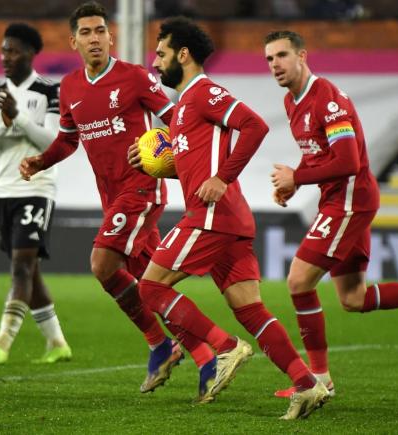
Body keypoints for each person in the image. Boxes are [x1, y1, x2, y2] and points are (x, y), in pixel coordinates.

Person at [127, 16, 330, 420]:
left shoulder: (204, 92)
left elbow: (253, 125)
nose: (155, 62)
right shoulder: (184, 106)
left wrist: (221, 178)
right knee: (250, 309)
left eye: (162, 53)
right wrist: (161, 168)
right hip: (229, 219)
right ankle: (308, 385)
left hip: (211, 216)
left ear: (182, 55)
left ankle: (223, 347)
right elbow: (198, 163)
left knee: (150, 289)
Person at [264, 30, 398, 398]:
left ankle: (319, 380)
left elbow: (348, 161)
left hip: (349, 201)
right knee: (353, 298)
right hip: (339, 200)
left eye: (282, 55)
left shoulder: (328, 100)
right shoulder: (292, 102)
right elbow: (319, 152)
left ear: (302, 55)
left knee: (298, 282)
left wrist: (298, 176)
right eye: (269, 59)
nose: (275, 65)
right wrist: (296, 182)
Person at [18, 2, 197, 393]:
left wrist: (188, 156)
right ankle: (207, 350)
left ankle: (158, 343)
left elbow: (177, 118)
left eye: (100, 30)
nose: (94, 38)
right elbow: (68, 140)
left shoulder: (135, 78)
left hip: (141, 188)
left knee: (102, 264)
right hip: (111, 196)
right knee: (152, 282)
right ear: (74, 41)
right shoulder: (70, 87)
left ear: (110, 37)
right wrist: (40, 161)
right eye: (86, 32)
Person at [0, 23, 72, 365]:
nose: (6, 57)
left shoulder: (49, 91)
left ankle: (2, 342)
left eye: (12, 50)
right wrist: (4, 123)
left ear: (30, 53)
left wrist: (20, 118)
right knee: (30, 270)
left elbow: (54, 143)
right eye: (3, 51)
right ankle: (57, 343)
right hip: (3, 189)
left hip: (37, 188)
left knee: (20, 268)